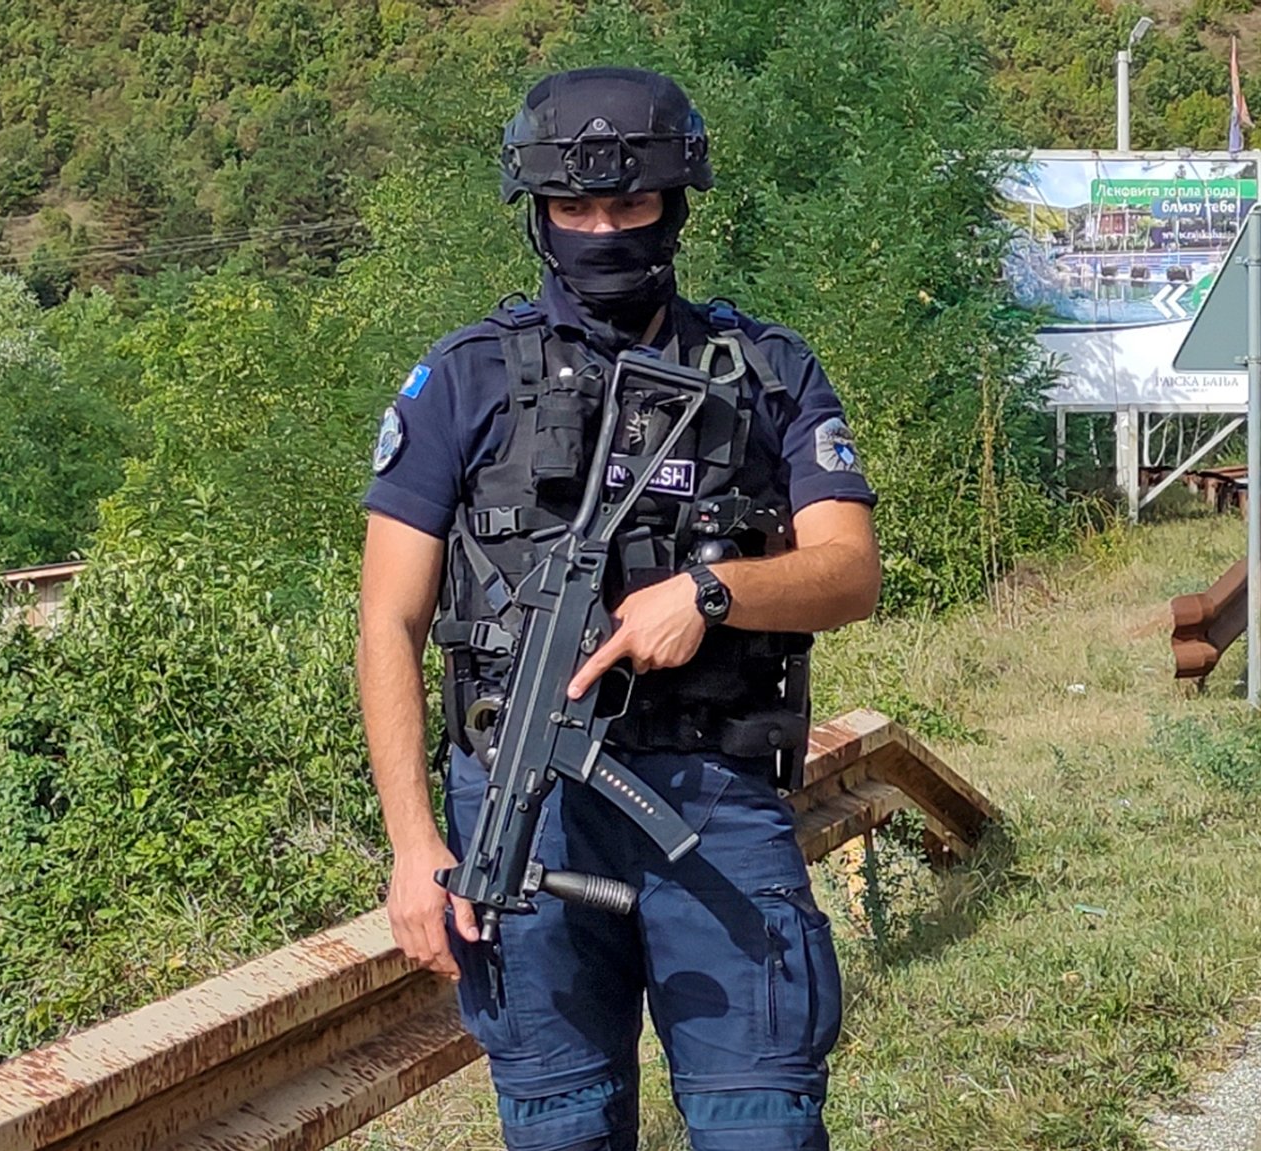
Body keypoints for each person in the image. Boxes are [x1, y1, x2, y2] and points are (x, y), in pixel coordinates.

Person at [355, 66, 880, 1151]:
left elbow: (849, 571)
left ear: (674, 203)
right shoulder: (460, 381)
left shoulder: (764, 369)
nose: (601, 229)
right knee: (560, 1126)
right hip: (519, 801)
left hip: (711, 798)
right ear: (537, 212)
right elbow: (386, 623)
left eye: (628, 204)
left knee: (764, 1126)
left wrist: (713, 591)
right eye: (574, 208)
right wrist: (413, 847)